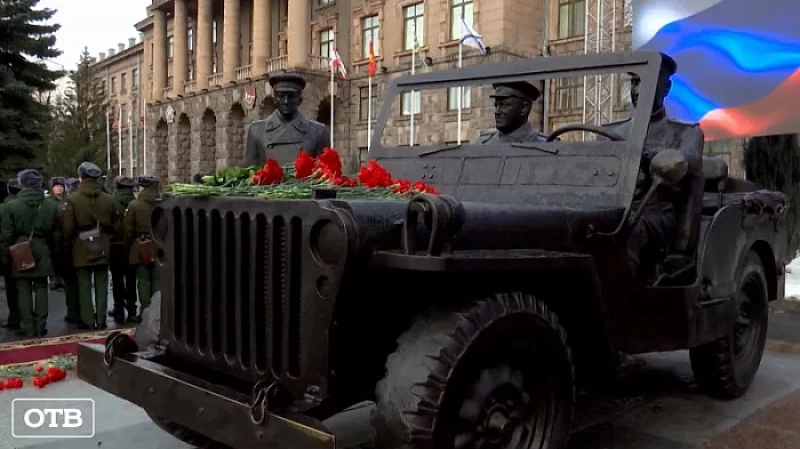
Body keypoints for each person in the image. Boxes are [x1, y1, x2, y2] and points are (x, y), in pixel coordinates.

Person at [601, 53, 704, 281]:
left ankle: (621, 303)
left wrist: (650, 156)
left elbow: (688, 163)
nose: (637, 91)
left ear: (665, 89)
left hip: (656, 214)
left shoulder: (686, 132)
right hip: (611, 207)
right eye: (635, 82)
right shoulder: (610, 132)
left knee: (628, 231)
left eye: (646, 83)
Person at [0, 170, 60, 337]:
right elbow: (56, 233)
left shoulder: (12, 206)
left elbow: (6, 235)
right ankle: (40, 326)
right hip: (42, 247)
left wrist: (5, 257)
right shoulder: (50, 205)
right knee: (41, 287)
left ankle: (27, 326)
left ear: (21, 184)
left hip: (19, 248)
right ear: (39, 183)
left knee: (23, 287)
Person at [63, 162, 116, 330]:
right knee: (102, 283)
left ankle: (87, 320)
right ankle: (101, 320)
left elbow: (68, 227)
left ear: (81, 178)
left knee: (83, 285)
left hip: (81, 244)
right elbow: (115, 224)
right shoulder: (109, 199)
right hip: (102, 242)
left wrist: (68, 243)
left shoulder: (72, 199)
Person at [244, 72, 330, 166]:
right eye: (281, 96)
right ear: (274, 99)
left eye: (291, 96)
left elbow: (324, 173)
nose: (286, 101)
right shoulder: (257, 130)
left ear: (300, 100)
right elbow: (250, 174)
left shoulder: (318, 132)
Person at [124, 175, 161, 322]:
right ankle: (157, 311)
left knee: (143, 281)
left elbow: (128, 230)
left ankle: (145, 311)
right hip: (159, 245)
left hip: (141, 246)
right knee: (157, 281)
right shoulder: (163, 203)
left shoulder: (134, 205)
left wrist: (128, 247)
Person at [473, 81, 549, 144]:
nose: (497, 112)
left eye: (505, 105)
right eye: (496, 105)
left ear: (524, 108)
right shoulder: (482, 143)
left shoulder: (545, 144)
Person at [109, 176, 137, 323]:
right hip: (132, 245)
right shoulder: (135, 202)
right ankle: (132, 309)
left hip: (116, 245)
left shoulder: (111, 201)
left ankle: (118, 308)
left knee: (117, 279)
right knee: (131, 278)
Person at [1, 178, 21, 330]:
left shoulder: (4, 206)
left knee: (11, 287)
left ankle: (14, 318)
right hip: (24, 249)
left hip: (7, 248)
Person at [61, 177, 81, 324]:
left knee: (72, 283)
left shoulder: (67, 203)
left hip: (71, 246)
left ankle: (74, 313)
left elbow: (66, 228)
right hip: (90, 245)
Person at [46, 177, 66, 291]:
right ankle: (53, 279)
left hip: (64, 233)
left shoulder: (67, 200)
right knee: (53, 257)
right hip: (53, 233)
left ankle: (62, 278)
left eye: (61, 186)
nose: (59, 188)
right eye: (56, 186)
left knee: (63, 257)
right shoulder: (49, 201)